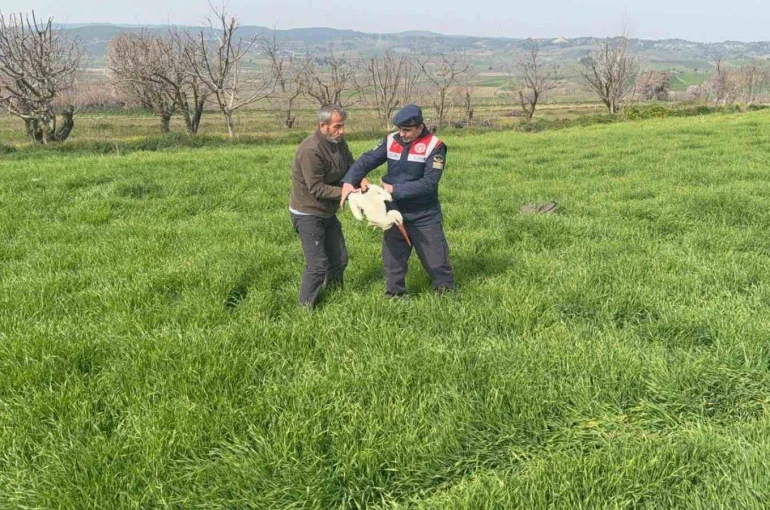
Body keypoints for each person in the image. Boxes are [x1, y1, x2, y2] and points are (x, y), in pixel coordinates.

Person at [340, 104, 455, 298]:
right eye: (400, 129)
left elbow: (429, 183)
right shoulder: (392, 140)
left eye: (407, 130)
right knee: (393, 259)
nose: (402, 134)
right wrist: (348, 182)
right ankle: (395, 297)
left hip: (424, 214)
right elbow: (367, 160)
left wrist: (394, 189)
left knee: (436, 260)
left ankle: (446, 294)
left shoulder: (435, 146)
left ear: (420, 127)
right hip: (394, 211)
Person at [289, 104, 367, 308]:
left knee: (339, 259)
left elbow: (351, 166)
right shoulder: (310, 150)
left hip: (327, 211)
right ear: (322, 125)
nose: (342, 131)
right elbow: (316, 188)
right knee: (317, 266)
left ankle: (334, 296)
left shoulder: (338, 142)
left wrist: (361, 179)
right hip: (308, 212)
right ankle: (304, 309)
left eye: (343, 126)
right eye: (337, 126)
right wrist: (349, 193)